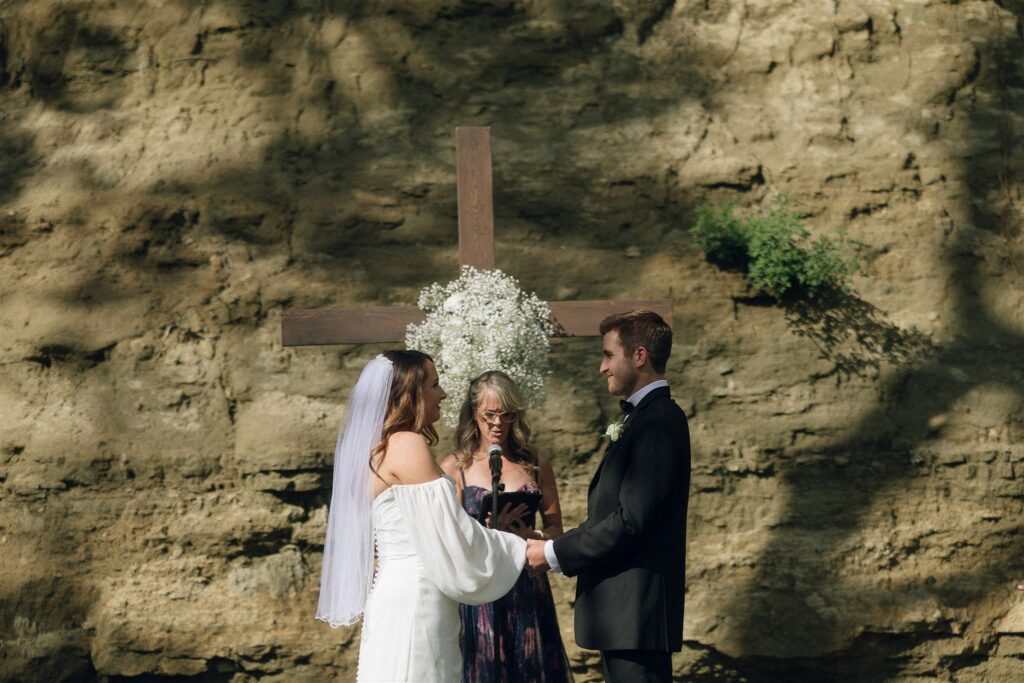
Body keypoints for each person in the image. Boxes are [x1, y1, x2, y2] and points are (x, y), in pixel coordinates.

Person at [316, 351, 527, 683]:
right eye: (435, 384)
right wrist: (519, 547)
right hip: (417, 597)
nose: (442, 394)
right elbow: (451, 533)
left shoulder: (382, 446)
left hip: (402, 591)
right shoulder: (406, 443)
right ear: (410, 392)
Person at [525, 310, 691, 683]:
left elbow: (631, 520)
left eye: (608, 355)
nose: (602, 367)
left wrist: (552, 554)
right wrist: (555, 543)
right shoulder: (642, 419)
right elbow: (610, 514)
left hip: (637, 616)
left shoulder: (659, 421)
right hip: (622, 617)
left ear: (640, 356)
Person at [440, 371, 573, 683]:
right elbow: (446, 539)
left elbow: (557, 529)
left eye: (506, 415)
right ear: (473, 413)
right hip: (481, 591)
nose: (497, 424)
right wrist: (488, 532)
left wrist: (532, 536)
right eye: (489, 415)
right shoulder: (455, 467)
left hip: (527, 586)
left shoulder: (535, 463)